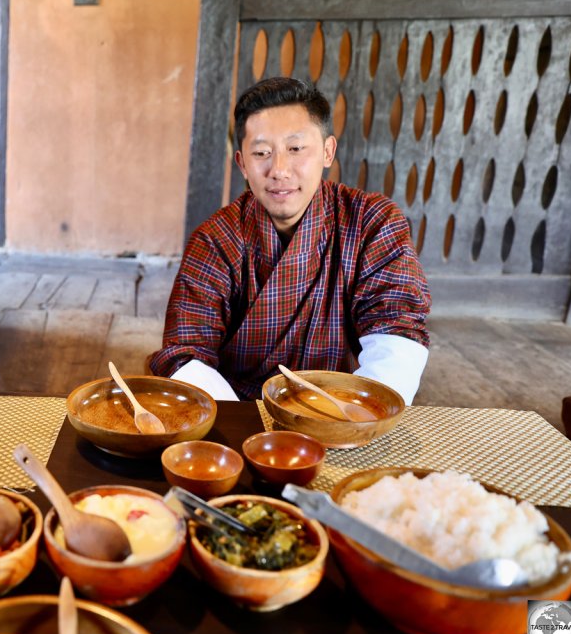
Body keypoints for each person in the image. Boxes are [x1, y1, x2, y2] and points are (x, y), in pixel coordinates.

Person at [149, 77, 430, 405]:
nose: (279, 170)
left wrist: (360, 415)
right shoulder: (214, 240)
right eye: (262, 152)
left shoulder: (372, 222)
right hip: (236, 407)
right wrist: (239, 424)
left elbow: (397, 327)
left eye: (296, 149)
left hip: (339, 404)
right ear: (242, 163)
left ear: (327, 151)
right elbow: (184, 353)